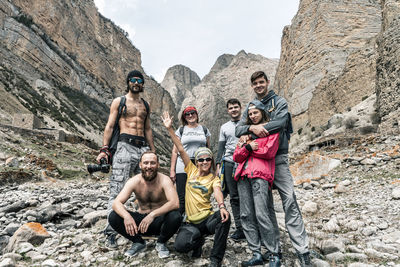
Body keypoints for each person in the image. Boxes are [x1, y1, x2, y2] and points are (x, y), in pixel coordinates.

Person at [235, 71, 311, 267]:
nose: (259, 86)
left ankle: (302, 250)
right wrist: (252, 128)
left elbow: (280, 123)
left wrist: (258, 128)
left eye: (262, 82)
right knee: (264, 208)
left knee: (289, 200)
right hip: (256, 161)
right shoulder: (251, 106)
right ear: (252, 86)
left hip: (278, 158)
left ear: (267, 82)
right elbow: (238, 129)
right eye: (255, 83)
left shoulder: (280, 102)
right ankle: (273, 251)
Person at [162, 111, 230, 267]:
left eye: (208, 159)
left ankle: (215, 259)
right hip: (191, 223)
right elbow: (180, 148)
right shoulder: (190, 170)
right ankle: (197, 239)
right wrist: (170, 129)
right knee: (180, 247)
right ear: (197, 161)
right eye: (201, 159)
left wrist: (221, 206)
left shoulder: (213, 178)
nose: (205, 161)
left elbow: (218, 192)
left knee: (224, 217)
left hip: (207, 220)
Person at [96, 70, 156, 249]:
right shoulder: (119, 101)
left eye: (139, 80)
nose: (136, 83)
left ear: (142, 84)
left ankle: (146, 227)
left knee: (147, 189)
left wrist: (152, 150)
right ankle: (110, 232)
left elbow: (148, 130)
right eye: (133, 80)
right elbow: (110, 125)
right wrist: (105, 149)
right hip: (124, 146)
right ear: (128, 82)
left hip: (142, 148)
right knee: (117, 190)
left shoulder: (145, 104)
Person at [233, 100, 280, 267]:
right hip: (243, 176)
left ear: (262, 113)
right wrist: (247, 148)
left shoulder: (270, 129)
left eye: (255, 113)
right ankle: (256, 253)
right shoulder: (245, 134)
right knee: (246, 215)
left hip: (260, 175)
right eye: (250, 114)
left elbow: (269, 151)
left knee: (262, 214)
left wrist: (251, 148)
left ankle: (273, 253)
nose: (253, 116)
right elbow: (236, 156)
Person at [108, 151, 181, 258]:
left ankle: (161, 242)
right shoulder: (134, 181)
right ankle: (138, 242)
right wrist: (127, 217)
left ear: (158, 165)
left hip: (159, 223)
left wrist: (152, 215)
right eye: (146, 163)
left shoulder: (164, 180)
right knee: (113, 216)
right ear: (140, 165)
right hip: (140, 224)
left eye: (152, 163)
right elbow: (116, 203)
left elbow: (175, 203)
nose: (149, 166)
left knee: (175, 216)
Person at [169, 106, 211, 214]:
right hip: (182, 163)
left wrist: (211, 168)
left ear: (197, 114)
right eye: (187, 114)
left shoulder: (204, 130)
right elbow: (175, 151)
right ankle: (180, 221)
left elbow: (208, 150)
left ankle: (196, 219)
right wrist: (172, 170)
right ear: (184, 117)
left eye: (192, 113)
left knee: (198, 192)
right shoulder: (181, 130)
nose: (190, 115)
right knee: (182, 195)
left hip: (199, 164)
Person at [215, 98, 245, 240]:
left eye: (235, 107)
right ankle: (240, 228)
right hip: (228, 162)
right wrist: (217, 166)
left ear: (240, 107)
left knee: (246, 194)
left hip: (245, 162)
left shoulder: (247, 122)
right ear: (228, 111)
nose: (233, 110)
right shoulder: (224, 127)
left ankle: (250, 224)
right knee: (234, 196)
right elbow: (221, 147)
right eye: (231, 108)